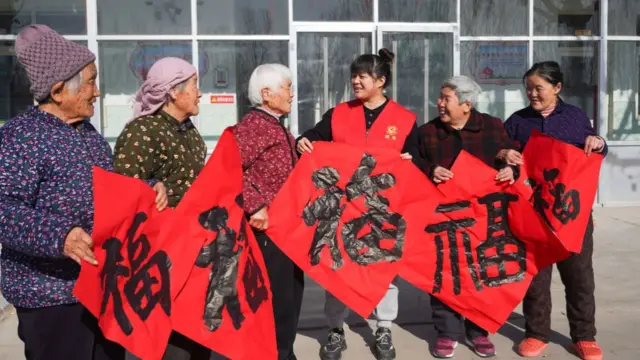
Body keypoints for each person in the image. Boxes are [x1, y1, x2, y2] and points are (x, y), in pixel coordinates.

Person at [0, 24, 166, 360]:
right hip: (51, 297)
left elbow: (107, 190)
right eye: (90, 81)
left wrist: (147, 190)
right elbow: (5, 209)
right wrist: (59, 235)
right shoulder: (21, 136)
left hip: (102, 285)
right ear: (59, 90)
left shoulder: (88, 134)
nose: (98, 91)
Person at [297, 48, 420, 360]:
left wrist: (410, 161)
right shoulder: (339, 114)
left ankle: (384, 327)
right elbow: (315, 136)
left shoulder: (404, 120)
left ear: (380, 81)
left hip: (382, 211)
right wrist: (304, 139)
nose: (355, 81)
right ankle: (335, 330)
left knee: (384, 270)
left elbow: (418, 159)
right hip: (343, 209)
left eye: (362, 76)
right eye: (354, 75)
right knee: (337, 270)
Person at [500, 61, 607, 360]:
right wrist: (503, 155)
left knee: (579, 277)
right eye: (528, 89)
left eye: (538, 88)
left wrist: (598, 142)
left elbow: (597, 148)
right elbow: (502, 154)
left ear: (557, 88)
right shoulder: (518, 121)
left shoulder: (574, 117)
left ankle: (584, 336)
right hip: (533, 213)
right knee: (536, 277)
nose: (532, 94)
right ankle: (536, 333)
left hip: (572, 214)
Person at [113, 57, 209, 360]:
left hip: (195, 251)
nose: (200, 93)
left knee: (197, 341)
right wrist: (153, 185)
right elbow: (124, 190)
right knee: (171, 348)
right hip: (161, 260)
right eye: (194, 86)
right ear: (172, 93)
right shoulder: (143, 131)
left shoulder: (189, 130)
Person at [418, 75, 518, 359]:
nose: (439, 103)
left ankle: (479, 330)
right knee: (444, 273)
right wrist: (430, 170)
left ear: (466, 104)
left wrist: (512, 169)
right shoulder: (427, 132)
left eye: (445, 98)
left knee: (481, 273)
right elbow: (412, 161)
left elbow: (513, 158)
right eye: (440, 97)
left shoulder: (492, 127)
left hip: (483, 219)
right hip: (442, 219)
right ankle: (446, 332)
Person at [232, 63, 304, 360]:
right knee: (275, 302)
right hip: (266, 234)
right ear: (266, 93)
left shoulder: (275, 125)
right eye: (287, 87)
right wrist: (254, 205)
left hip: (286, 230)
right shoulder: (253, 127)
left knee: (289, 299)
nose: (292, 94)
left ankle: (283, 352)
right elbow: (228, 170)